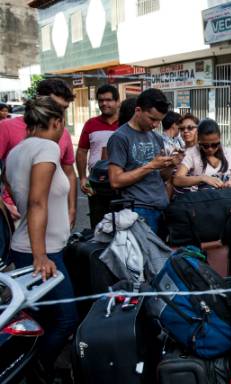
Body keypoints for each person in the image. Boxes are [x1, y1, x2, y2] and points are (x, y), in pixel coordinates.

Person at [4, 96, 78, 380]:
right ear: (57, 122)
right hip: (42, 252)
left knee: (44, 320)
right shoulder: (47, 147)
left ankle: (34, 369)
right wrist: (40, 256)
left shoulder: (16, 152)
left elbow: (17, 197)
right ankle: (37, 371)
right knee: (65, 319)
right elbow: (36, 203)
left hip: (30, 247)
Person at [0, 79, 78, 227]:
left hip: (55, 213)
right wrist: (4, 204)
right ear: (38, 99)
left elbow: (69, 173)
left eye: (64, 109)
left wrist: (72, 209)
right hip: (19, 213)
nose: (60, 114)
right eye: (56, 106)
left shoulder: (64, 133)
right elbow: (4, 174)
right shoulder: (6, 127)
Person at [106, 89, 179, 234]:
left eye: (159, 120)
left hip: (161, 207)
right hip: (138, 209)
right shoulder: (120, 137)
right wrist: (151, 165)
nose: (156, 125)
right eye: (152, 119)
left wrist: (171, 165)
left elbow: (162, 176)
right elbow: (115, 180)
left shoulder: (156, 138)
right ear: (138, 110)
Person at [76, 84, 120, 229]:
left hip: (120, 183)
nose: (104, 104)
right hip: (96, 183)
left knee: (120, 224)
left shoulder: (125, 124)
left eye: (108, 100)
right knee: (98, 225)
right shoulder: (91, 124)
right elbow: (82, 151)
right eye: (101, 100)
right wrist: (83, 177)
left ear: (117, 101)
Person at [174, 118, 231, 190]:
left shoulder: (230, 154)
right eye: (205, 145)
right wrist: (202, 178)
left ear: (220, 138)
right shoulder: (192, 154)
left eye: (215, 144)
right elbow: (177, 180)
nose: (210, 149)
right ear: (199, 140)